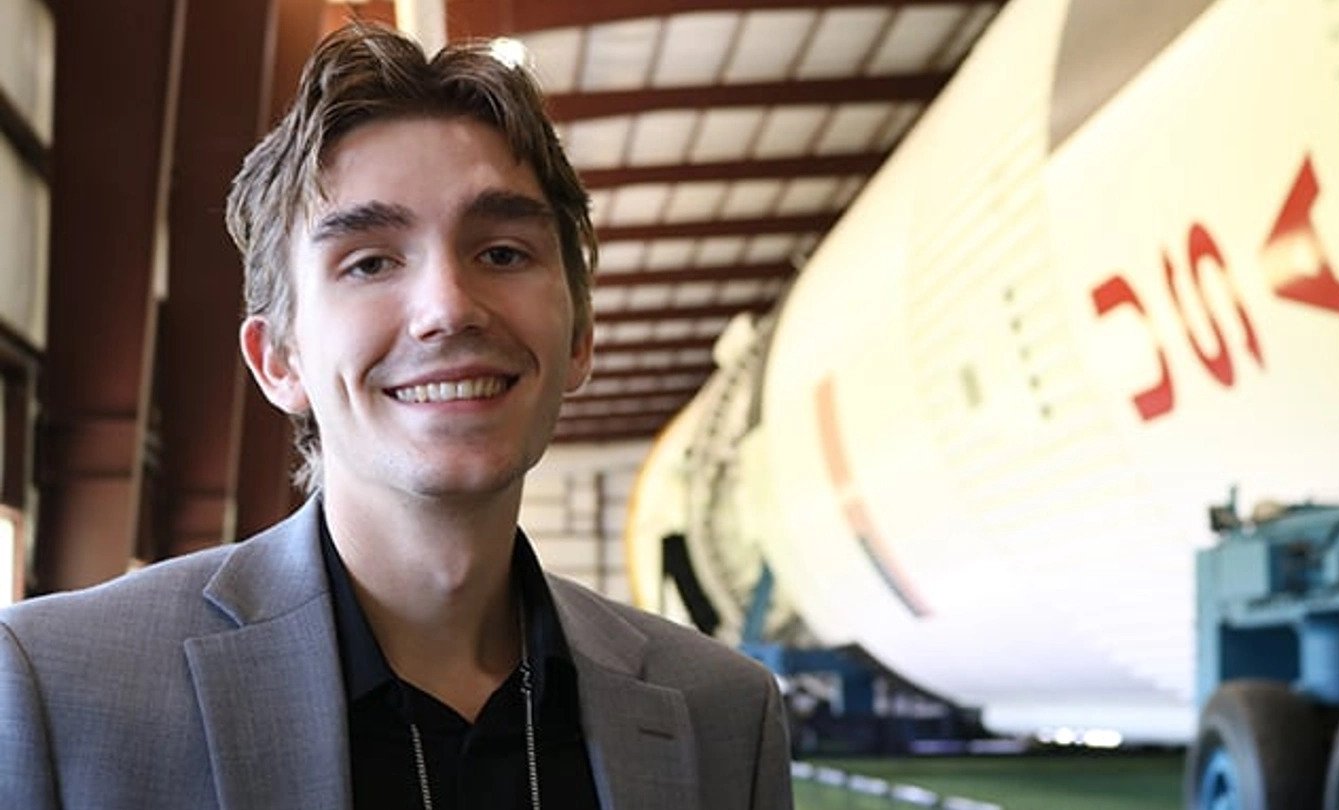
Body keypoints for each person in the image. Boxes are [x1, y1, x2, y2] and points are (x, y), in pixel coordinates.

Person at [0, 22, 791, 810]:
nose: (447, 308)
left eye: (503, 253)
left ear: (580, 337)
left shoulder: (723, 713)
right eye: (370, 261)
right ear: (279, 361)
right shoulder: (58, 689)